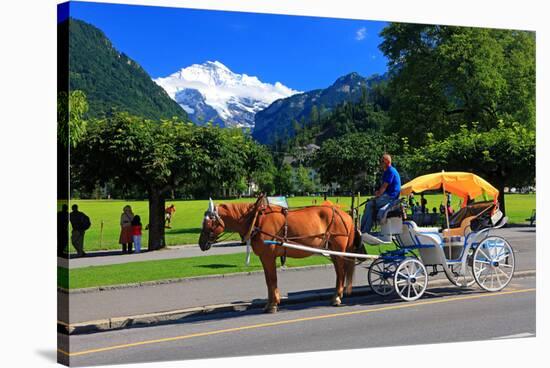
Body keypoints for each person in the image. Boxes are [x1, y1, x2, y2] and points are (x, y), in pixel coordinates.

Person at [360, 154, 401, 234]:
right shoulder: (387, 171)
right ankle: (363, 230)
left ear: (387, 162)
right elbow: (384, 188)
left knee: (370, 205)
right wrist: (378, 193)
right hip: (387, 196)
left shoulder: (390, 171)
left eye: (382, 161)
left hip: (391, 197)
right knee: (370, 206)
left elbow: (384, 186)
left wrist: (378, 194)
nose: (380, 163)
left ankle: (363, 231)